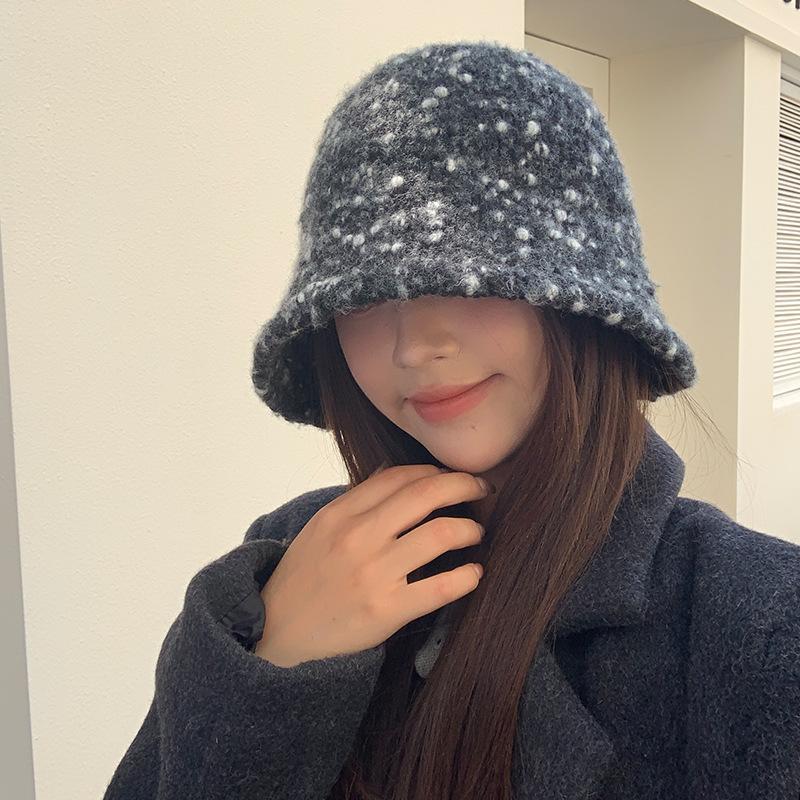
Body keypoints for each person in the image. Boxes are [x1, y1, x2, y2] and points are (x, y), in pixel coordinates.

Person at [103, 40, 800, 800]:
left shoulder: (757, 623)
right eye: (365, 299)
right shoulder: (287, 561)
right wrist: (275, 675)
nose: (413, 347)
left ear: (581, 302)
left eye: (467, 278)